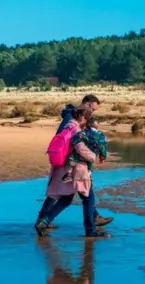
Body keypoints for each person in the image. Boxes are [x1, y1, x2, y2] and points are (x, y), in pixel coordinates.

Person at [36, 94, 113, 229]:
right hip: (72, 163)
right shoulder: (74, 121)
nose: (92, 112)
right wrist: (93, 155)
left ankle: (44, 220)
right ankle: (44, 220)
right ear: (86, 104)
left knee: (63, 194)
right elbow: (70, 141)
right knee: (79, 194)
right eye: (92, 108)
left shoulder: (73, 118)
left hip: (67, 162)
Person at [62, 117, 107, 183]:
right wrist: (102, 157)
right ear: (97, 126)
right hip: (93, 155)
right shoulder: (101, 135)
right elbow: (103, 146)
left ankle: (69, 174)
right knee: (90, 164)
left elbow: (74, 140)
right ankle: (89, 176)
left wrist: (73, 144)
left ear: (87, 124)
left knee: (71, 159)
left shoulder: (84, 132)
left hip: (83, 154)